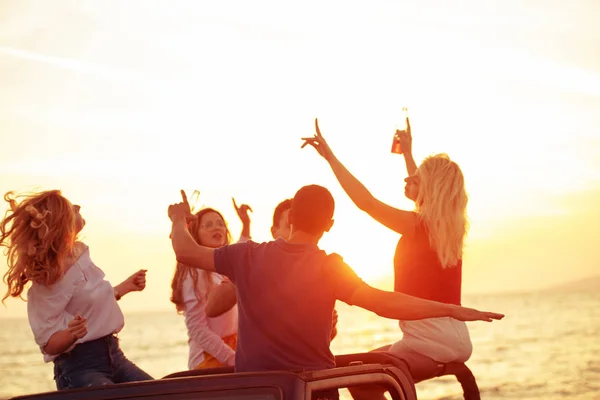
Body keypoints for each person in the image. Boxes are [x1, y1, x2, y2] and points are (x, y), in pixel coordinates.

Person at [167, 186, 503, 383]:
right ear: (329, 225)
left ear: (292, 217)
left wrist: (180, 218)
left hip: (256, 391)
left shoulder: (247, 256)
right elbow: (386, 302)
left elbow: (184, 250)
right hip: (313, 392)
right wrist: (452, 310)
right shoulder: (330, 268)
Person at [302, 118, 478, 387]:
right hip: (454, 338)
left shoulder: (418, 227)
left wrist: (330, 158)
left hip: (427, 339)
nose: (408, 178)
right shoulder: (446, 230)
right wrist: (407, 154)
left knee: (358, 381)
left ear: (429, 188)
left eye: (416, 179)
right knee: (366, 371)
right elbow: (427, 196)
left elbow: (366, 202)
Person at [0, 190, 152, 390]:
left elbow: (89, 303)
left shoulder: (79, 254)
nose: (78, 208)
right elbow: (47, 343)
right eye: (73, 207)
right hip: (80, 368)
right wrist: (71, 334)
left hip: (115, 356)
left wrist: (124, 288)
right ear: (61, 223)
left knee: (161, 392)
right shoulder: (46, 280)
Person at [170, 199, 251, 369]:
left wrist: (245, 224)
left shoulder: (222, 266)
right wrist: (231, 359)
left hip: (233, 350)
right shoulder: (194, 273)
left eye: (220, 224)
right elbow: (197, 329)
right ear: (195, 233)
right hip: (209, 359)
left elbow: (240, 251)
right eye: (208, 225)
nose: (217, 228)